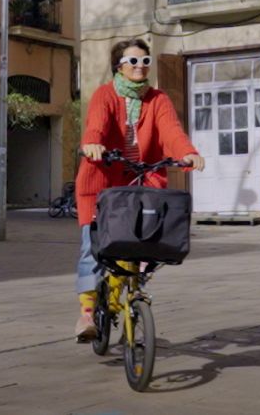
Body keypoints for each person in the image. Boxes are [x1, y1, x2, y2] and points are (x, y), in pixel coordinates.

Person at [72, 38, 204, 342]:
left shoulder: (158, 99)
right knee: (92, 248)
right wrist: (93, 143)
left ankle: (130, 295)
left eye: (145, 62)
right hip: (102, 184)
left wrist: (187, 152)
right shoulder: (105, 95)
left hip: (143, 184)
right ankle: (87, 314)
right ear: (119, 65)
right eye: (133, 62)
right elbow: (97, 124)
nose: (140, 67)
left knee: (149, 245)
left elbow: (171, 131)